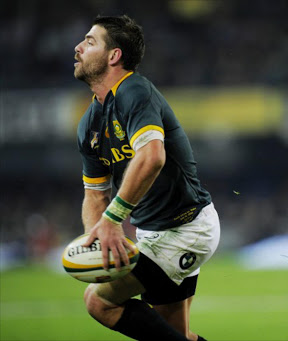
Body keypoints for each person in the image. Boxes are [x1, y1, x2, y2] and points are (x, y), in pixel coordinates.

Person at [73, 15, 220, 341]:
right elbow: (95, 194)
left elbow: (153, 156)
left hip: (186, 228)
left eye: (90, 41)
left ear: (114, 56)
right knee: (174, 332)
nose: (78, 47)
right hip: (154, 234)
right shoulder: (89, 125)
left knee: (98, 302)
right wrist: (100, 244)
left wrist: (113, 219)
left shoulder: (134, 91)